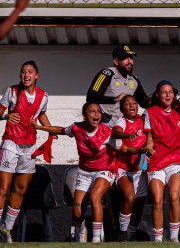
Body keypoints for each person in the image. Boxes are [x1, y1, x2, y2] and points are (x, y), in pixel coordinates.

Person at [33, 102, 130, 243]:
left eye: (98, 111)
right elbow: (61, 130)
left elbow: (125, 149)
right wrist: (40, 127)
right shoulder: (77, 128)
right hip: (85, 172)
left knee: (95, 196)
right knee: (77, 213)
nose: (96, 114)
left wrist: (141, 149)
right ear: (85, 116)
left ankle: (96, 239)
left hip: (105, 170)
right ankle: (83, 229)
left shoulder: (108, 133)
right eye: (92, 111)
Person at [0, 61, 51, 243]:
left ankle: (7, 229)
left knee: (20, 189)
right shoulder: (12, 91)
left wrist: (50, 129)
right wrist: (5, 115)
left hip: (29, 146)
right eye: (23, 72)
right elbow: (0, 111)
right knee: (4, 187)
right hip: (11, 143)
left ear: (36, 75)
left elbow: (41, 113)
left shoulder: (43, 96)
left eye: (30, 72)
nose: (26, 75)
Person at [144, 80, 180, 242]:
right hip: (156, 163)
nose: (167, 95)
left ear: (174, 95)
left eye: (170, 92)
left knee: (174, 197)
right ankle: (158, 239)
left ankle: (174, 238)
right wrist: (149, 147)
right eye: (164, 92)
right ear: (158, 95)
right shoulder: (150, 112)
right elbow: (149, 138)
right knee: (158, 200)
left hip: (175, 162)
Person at [111, 95, 149, 241]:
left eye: (134, 102)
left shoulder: (143, 119)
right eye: (127, 104)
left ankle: (130, 236)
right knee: (130, 196)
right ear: (122, 109)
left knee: (139, 204)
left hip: (140, 168)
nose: (131, 105)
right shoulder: (122, 121)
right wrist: (127, 135)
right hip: (123, 168)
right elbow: (115, 132)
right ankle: (122, 232)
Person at [86, 45, 149, 127]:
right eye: (125, 58)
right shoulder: (106, 74)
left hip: (124, 131)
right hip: (105, 129)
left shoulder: (134, 80)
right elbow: (91, 96)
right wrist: (114, 99)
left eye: (131, 57)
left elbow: (145, 102)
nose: (130, 61)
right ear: (116, 61)